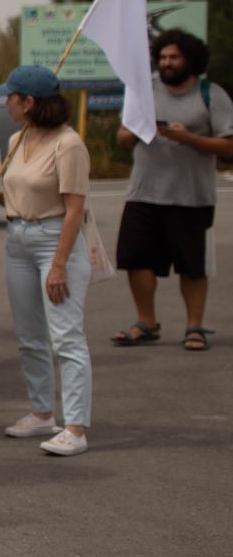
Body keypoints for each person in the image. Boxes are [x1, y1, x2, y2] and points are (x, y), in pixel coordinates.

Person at [0, 65, 94, 456]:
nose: (6, 102)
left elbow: (75, 209)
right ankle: (43, 412)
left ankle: (76, 427)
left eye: (10, 97)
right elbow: (21, 192)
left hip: (54, 240)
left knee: (66, 336)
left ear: (28, 102)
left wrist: (60, 263)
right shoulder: (17, 138)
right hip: (18, 239)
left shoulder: (69, 144)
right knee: (29, 336)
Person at [111, 30, 233, 353]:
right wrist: (141, 129)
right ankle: (146, 323)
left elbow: (228, 146)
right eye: (163, 57)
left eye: (174, 57)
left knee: (192, 265)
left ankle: (194, 327)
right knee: (134, 258)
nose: (167, 63)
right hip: (143, 193)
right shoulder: (144, 91)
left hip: (191, 197)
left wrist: (189, 138)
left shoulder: (211, 95)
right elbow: (122, 138)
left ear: (190, 60)